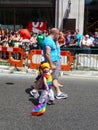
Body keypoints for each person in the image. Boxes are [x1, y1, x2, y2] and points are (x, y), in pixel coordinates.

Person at [30, 28, 68, 99]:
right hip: (52, 62)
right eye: (58, 34)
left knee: (51, 77)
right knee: (48, 77)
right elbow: (47, 54)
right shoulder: (49, 41)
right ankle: (35, 90)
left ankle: (58, 92)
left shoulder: (52, 40)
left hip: (54, 61)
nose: (59, 36)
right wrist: (51, 64)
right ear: (55, 34)